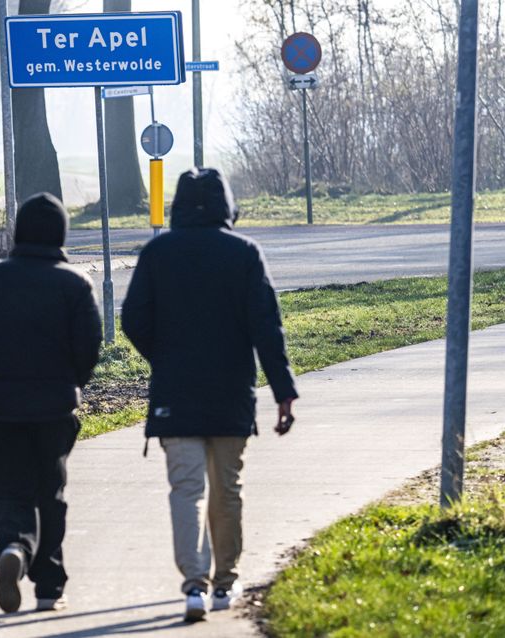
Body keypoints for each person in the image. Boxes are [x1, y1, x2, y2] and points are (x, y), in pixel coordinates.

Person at [121, 168, 298, 623]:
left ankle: (193, 586)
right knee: (227, 489)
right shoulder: (244, 254)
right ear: (226, 205)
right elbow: (267, 327)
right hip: (230, 393)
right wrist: (283, 391)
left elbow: (133, 318)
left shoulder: (158, 252)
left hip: (174, 393)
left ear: (177, 205)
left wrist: (163, 355)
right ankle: (225, 582)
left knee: (186, 489)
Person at [0, 192, 102, 614]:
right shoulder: (75, 284)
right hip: (55, 407)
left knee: (8, 489)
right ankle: (48, 587)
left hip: (5, 404)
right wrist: (74, 382)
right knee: (50, 493)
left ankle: (14, 547)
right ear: (61, 233)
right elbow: (89, 345)